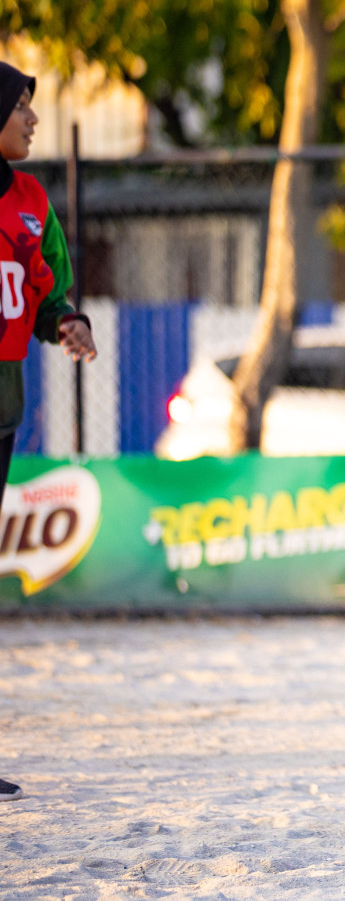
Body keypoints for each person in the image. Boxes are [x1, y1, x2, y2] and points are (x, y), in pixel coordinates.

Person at [0, 61, 98, 803]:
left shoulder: (32, 200)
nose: (33, 119)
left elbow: (44, 291)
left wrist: (67, 321)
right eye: (21, 108)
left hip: (5, 404)